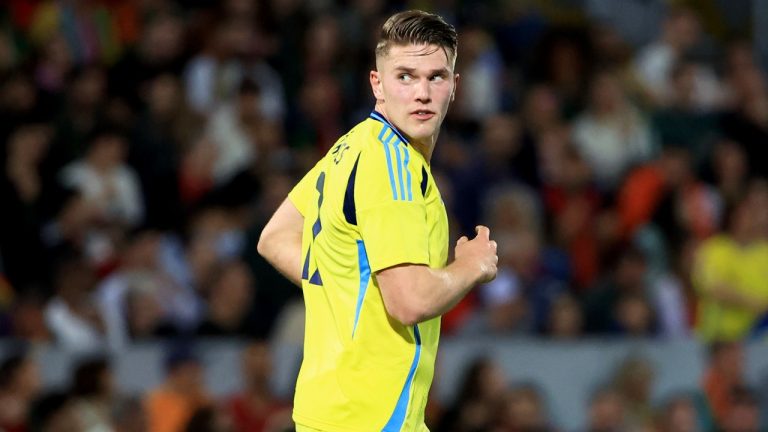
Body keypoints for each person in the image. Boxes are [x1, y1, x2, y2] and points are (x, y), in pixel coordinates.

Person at [258, 10, 498, 431]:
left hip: (328, 412)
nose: (421, 93)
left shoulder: (351, 146)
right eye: (405, 76)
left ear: (454, 87)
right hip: (373, 417)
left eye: (436, 77)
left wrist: (348, 284)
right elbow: (410, 301)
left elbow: (275, 237)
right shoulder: (394, 167)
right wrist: (470, 266)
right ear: (377, 85)